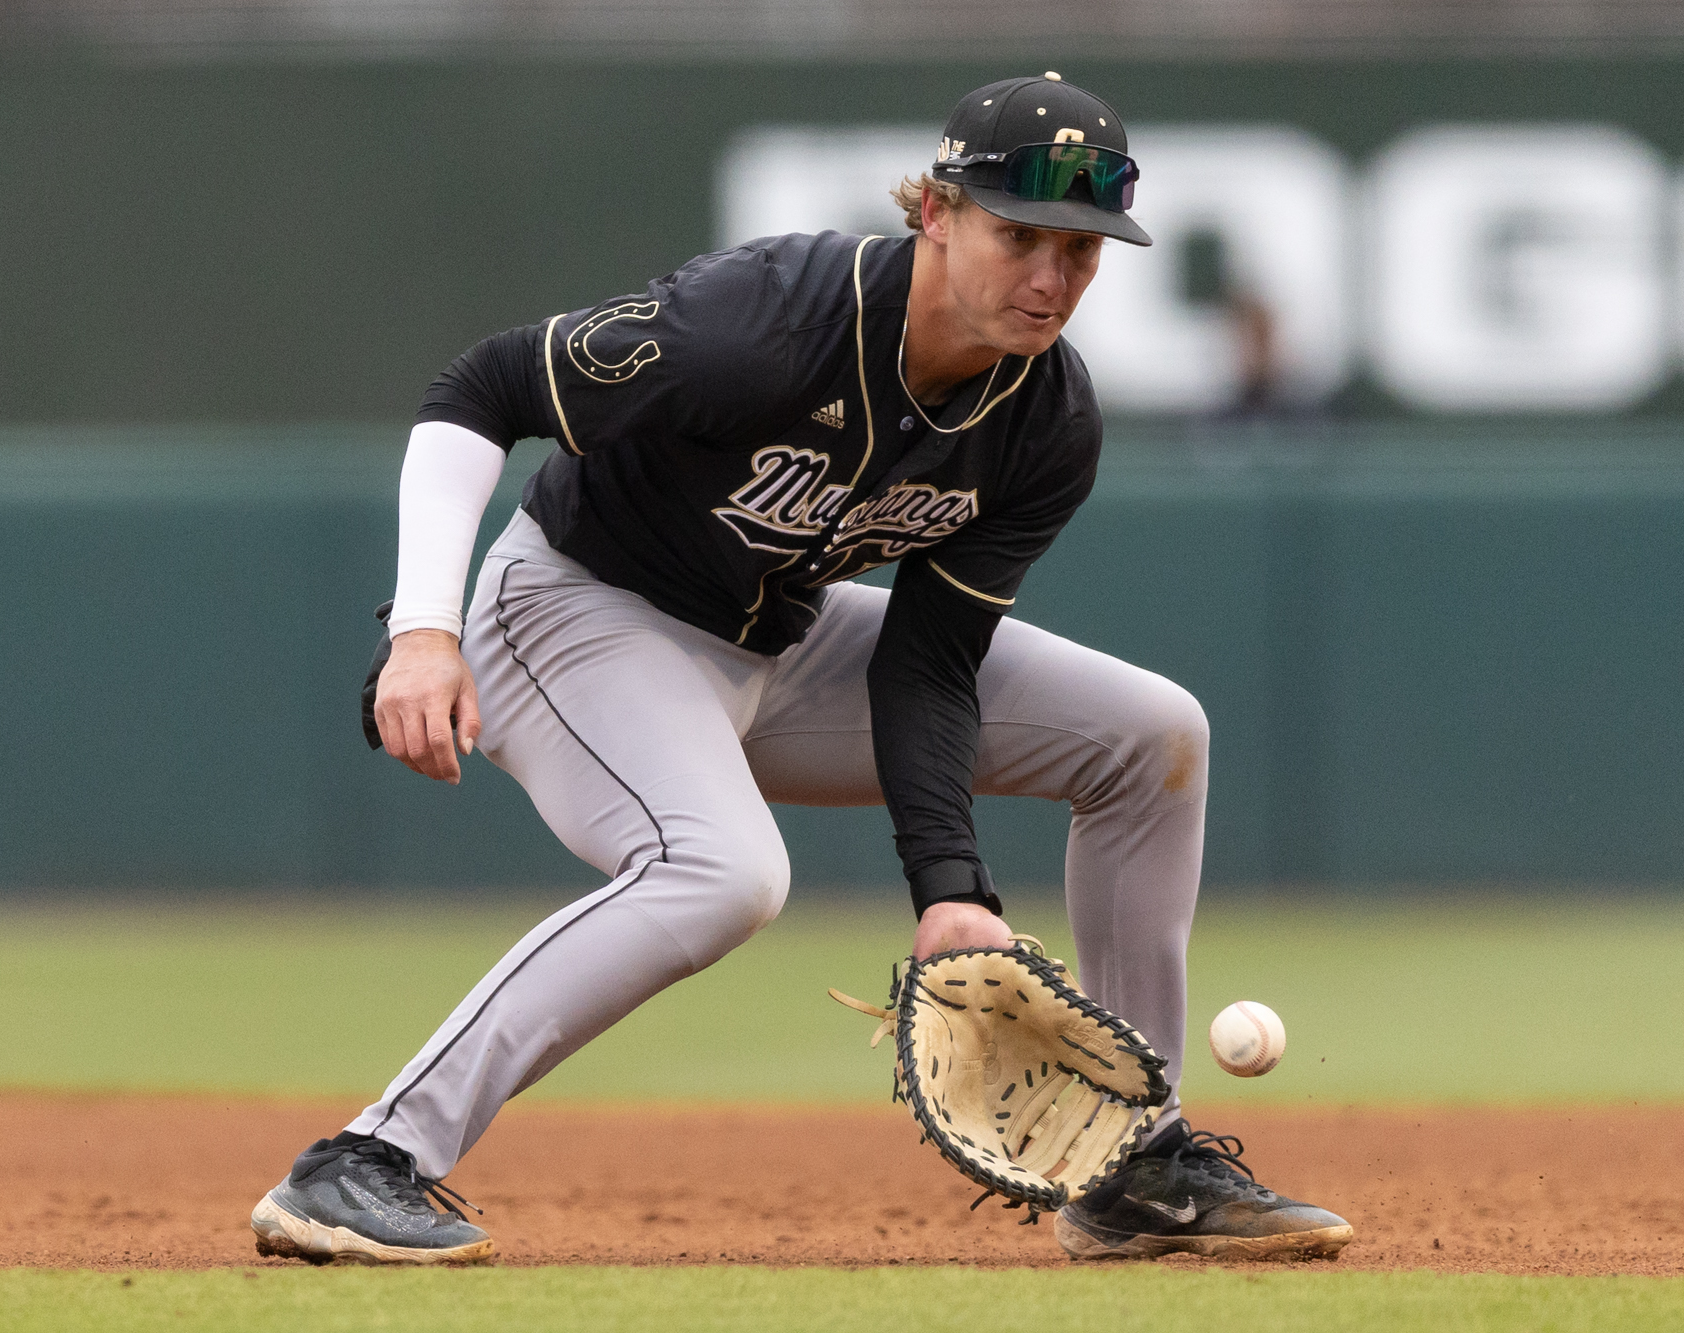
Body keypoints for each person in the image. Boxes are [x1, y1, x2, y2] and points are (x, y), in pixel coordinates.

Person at [250, 73, 1354, 1267]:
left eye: (1081, 251)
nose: (1050, 277)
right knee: (722, 872)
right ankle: (364, 1161)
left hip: (777, 638)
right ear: (935, 211)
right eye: (1018, 235)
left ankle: (1130, 1164)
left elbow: (931, 664)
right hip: (576, 607)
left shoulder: (1044, 421)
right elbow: (482, 388)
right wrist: (424, 627)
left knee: (1149, 734)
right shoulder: (763, 322)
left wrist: (951, 892)